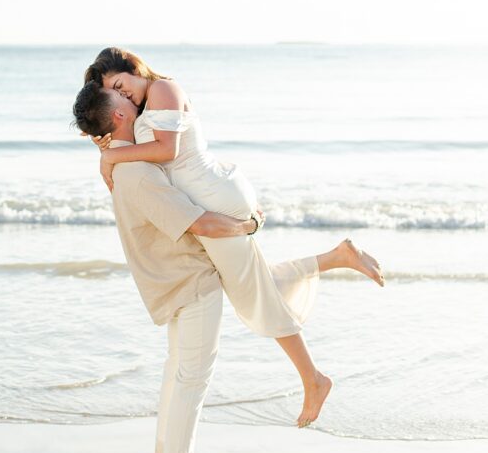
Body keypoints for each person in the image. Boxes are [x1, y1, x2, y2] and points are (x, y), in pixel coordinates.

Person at [83, 46, 385, 429]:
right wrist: (108, 151)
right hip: (205, 200)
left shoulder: (163, 88)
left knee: (253, 292)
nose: (124, 96)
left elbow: (167, 149)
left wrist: (111, 158)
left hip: (213, 198)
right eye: (116, 93)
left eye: (122, 86)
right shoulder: (146, 102)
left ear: (135, 68)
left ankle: (314, 379)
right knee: (255, 283)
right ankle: (337, 257)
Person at [72, 80, 263, 453]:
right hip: (188, 282)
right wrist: (251, 225)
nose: (133, 98)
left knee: (178, 374)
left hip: (176, 280)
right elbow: (202, 224)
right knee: (191, 381)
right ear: (119, 116)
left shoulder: (125, 166)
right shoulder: (137, 172)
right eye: (123, 97)